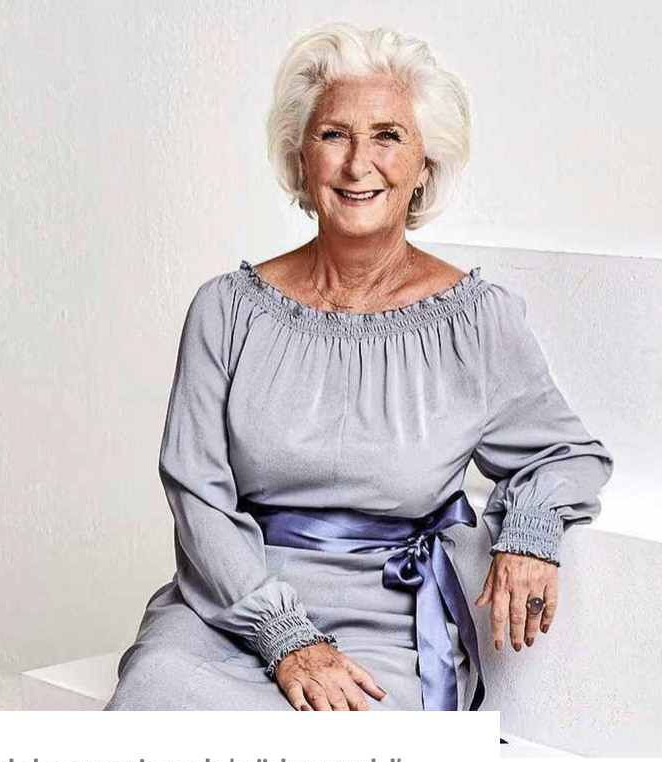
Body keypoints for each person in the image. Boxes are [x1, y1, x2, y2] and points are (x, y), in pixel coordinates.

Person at [104, 22, 613, 712]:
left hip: (390, 622)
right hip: (230, 606)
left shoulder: (477, 321)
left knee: (328, 751)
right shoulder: (225, 310)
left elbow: (567, 453)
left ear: (425, 165)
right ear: (302, 155)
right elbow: (196, 494)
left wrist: (530, 531)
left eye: (388, 136)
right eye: (334, 134)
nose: (357, 163)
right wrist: (283, 634)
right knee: (154, 696)